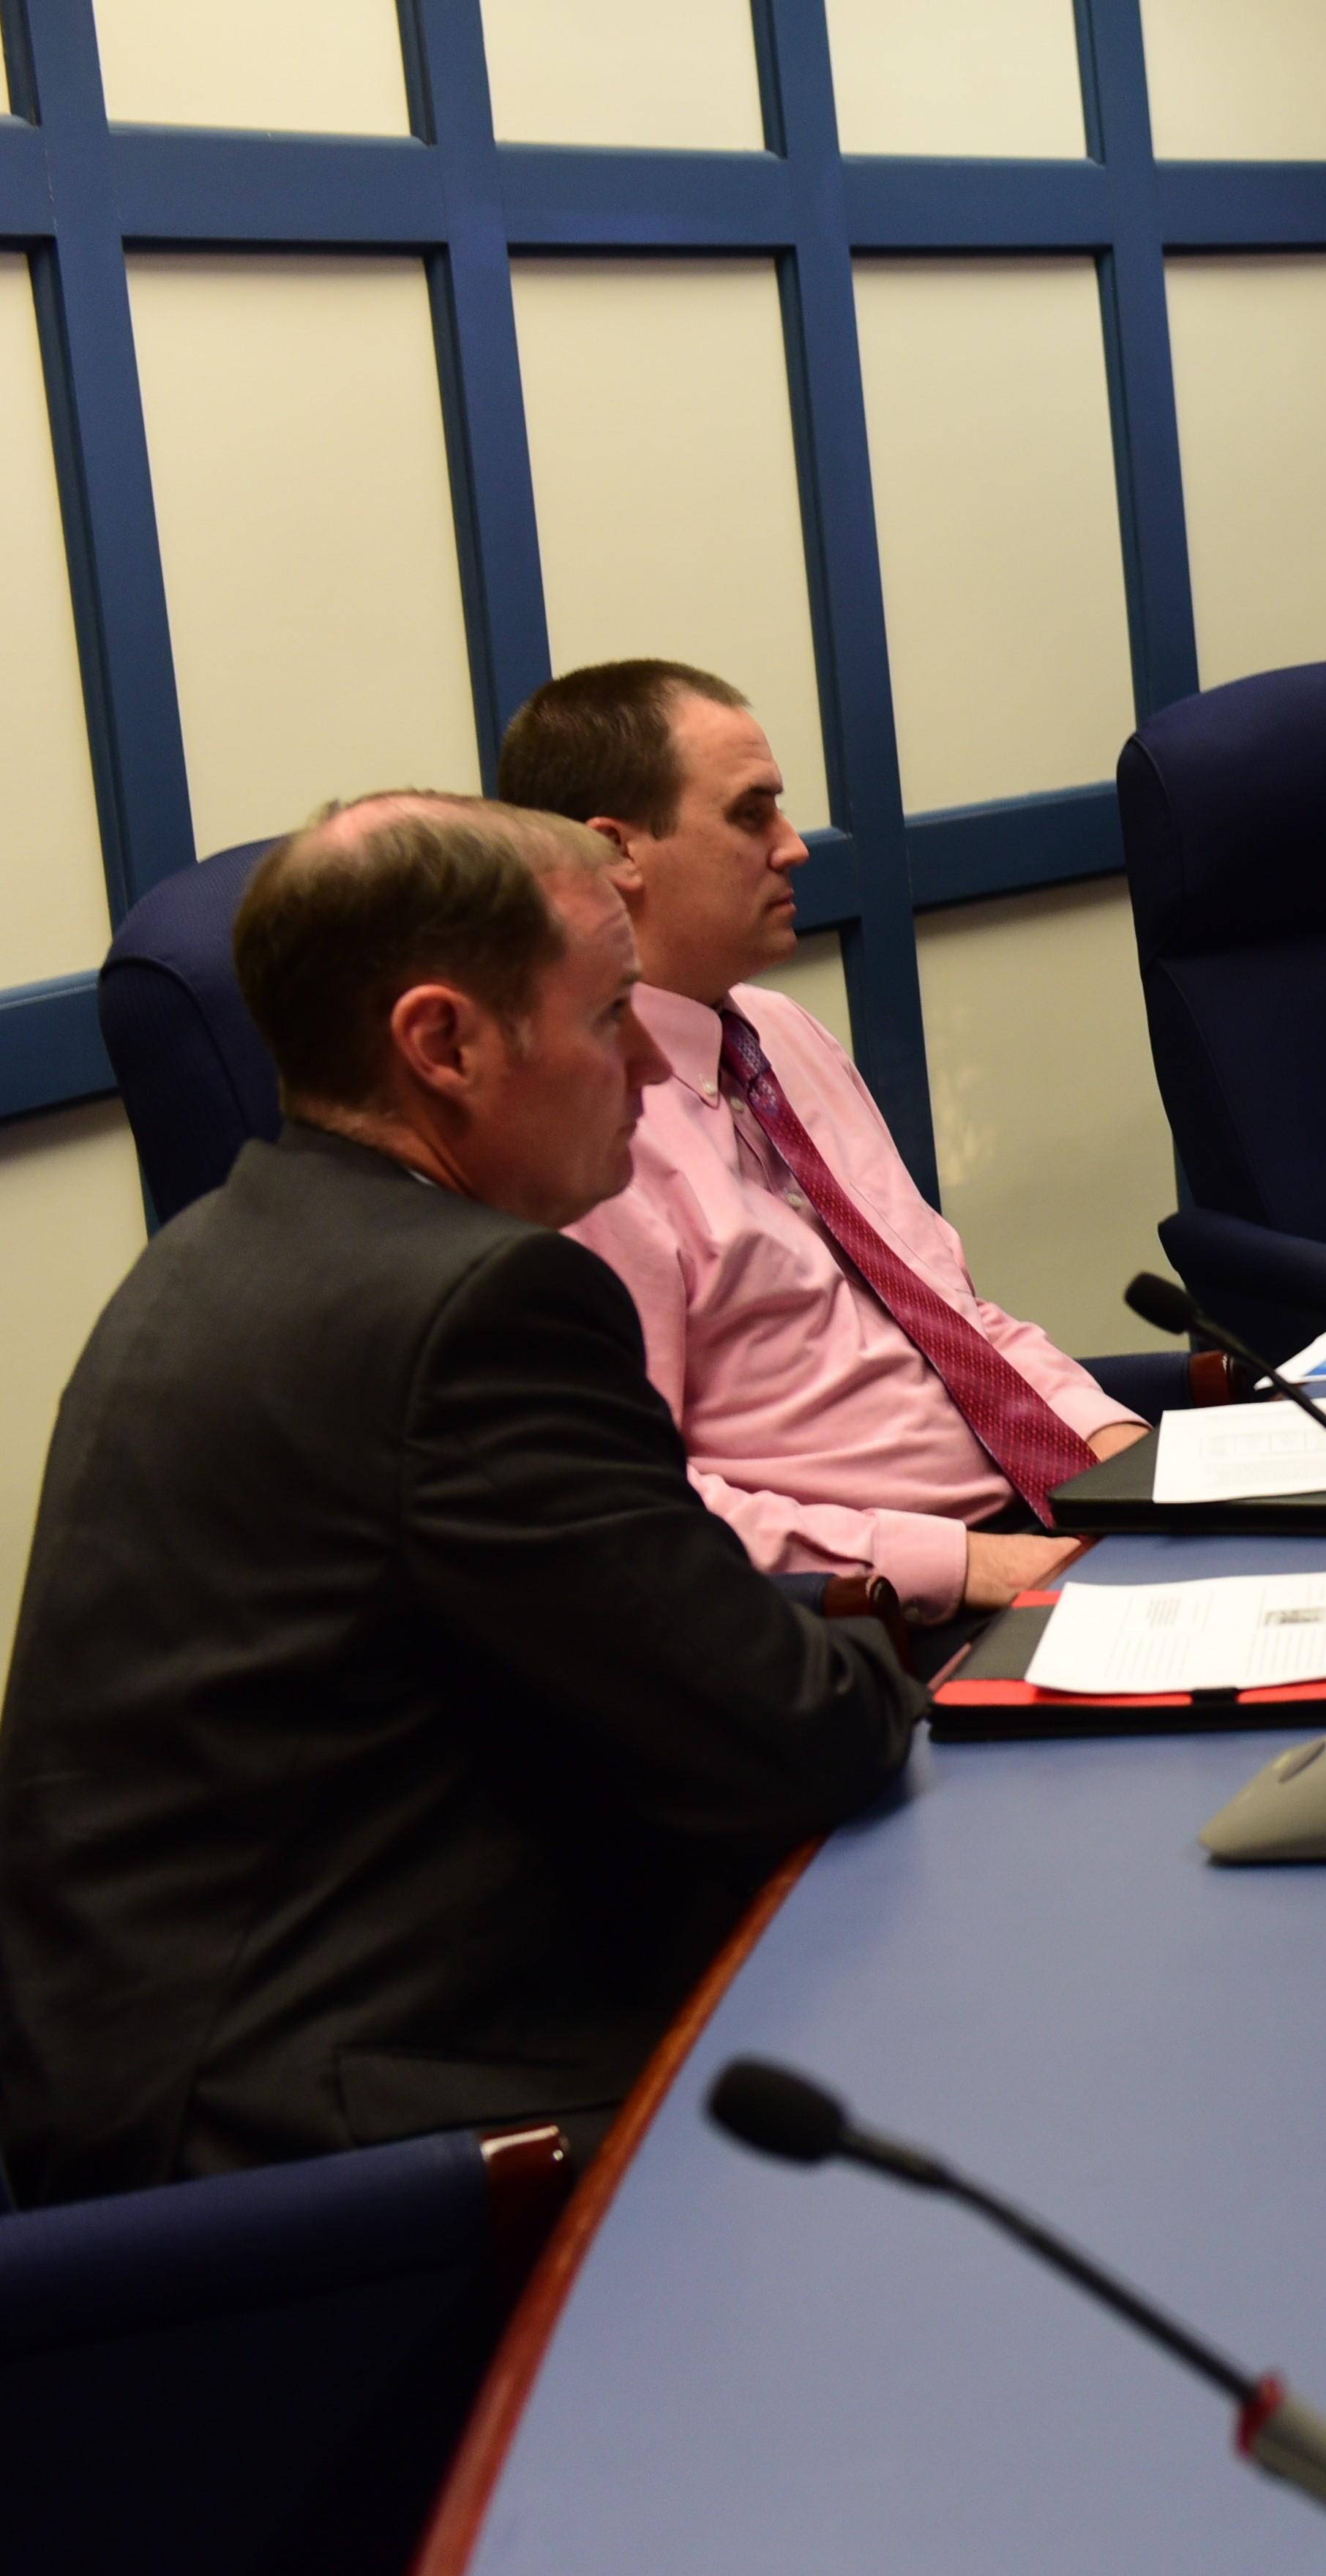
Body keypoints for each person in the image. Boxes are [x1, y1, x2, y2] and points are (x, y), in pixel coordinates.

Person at [0, 795, 920, 2202]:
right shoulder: (480, 1307)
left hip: (179, 2076)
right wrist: (884, 1647)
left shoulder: (216, 1252)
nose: (641, 1067)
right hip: (348, 2149)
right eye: (610, 1012)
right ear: (442, 1043)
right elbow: (792, 1733)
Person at [498, 661, 1145, 1622]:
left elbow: (951, 1310)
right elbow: (646, 1504)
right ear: (616, 853)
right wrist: (965, 1566)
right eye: (751, 814)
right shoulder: (578, 1138)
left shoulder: (777, 1032)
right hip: (882, 1609)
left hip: (1047, 1518)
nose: (795, 848)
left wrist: (1131, 1458)